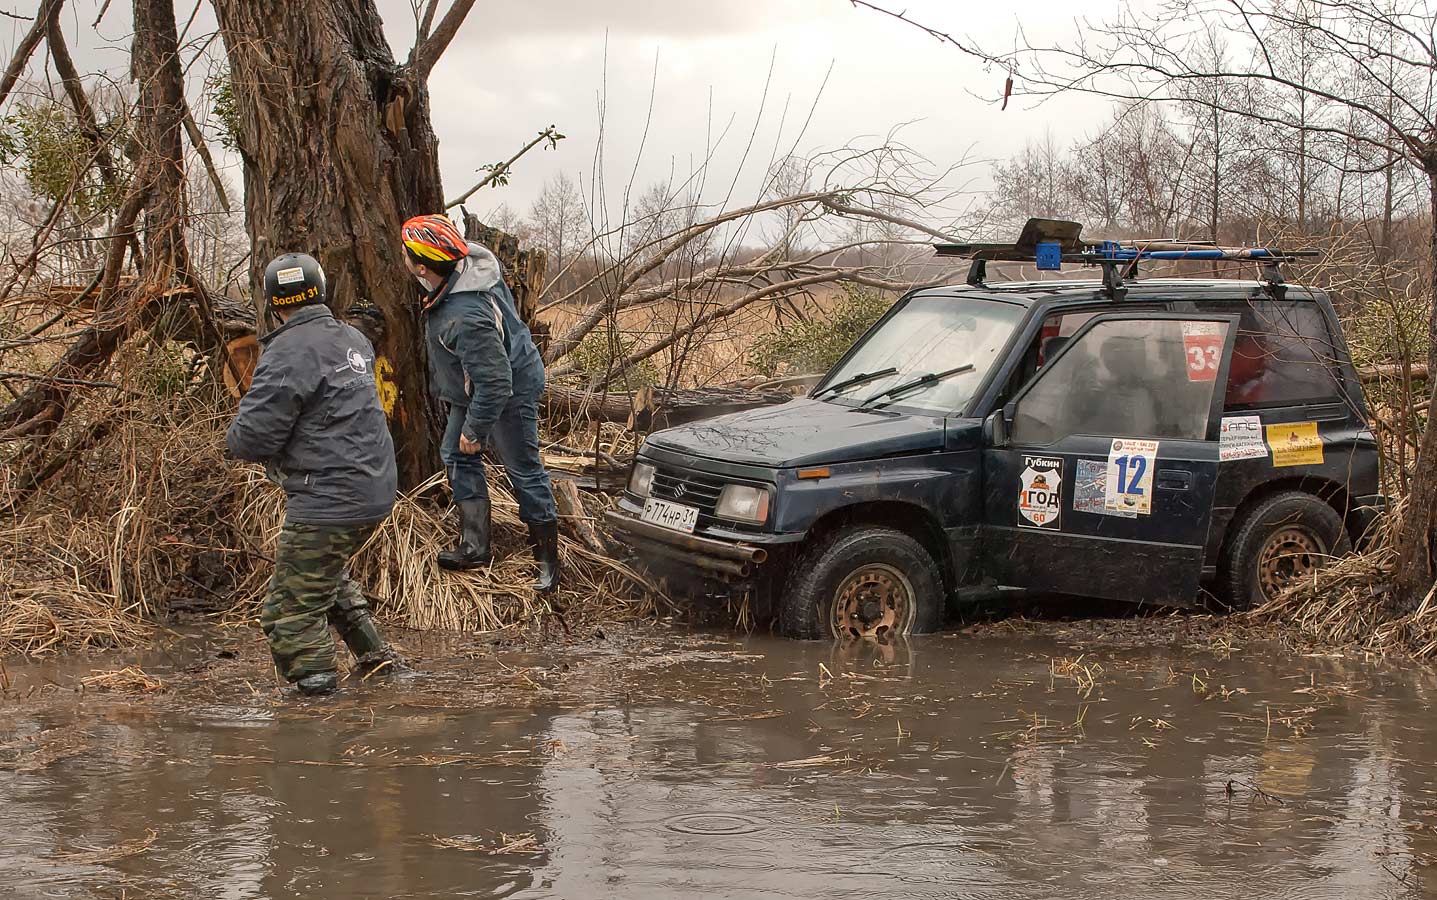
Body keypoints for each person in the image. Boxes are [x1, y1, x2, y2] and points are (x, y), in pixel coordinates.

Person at [226, 253, 402, 696]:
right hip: (375, 488)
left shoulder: (286, 351)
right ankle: (379, 664)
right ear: (322, 291)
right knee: (323, 575)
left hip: (329, 498)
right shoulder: (353, 339)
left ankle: (319, 710)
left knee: (290, 612)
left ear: (271, 301)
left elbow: (250, 440)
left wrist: (229, 439)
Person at [400, 213, 560, 593]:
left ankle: (548, 562)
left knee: (522, 468)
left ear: (423, 266)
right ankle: (475, 546)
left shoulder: (464, 316)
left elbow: (496, 381)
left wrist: (475, 429)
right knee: (455, 455)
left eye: (407, 255)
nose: (402, 259)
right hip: (478, 386)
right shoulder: (466, 263)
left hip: (508, 388)